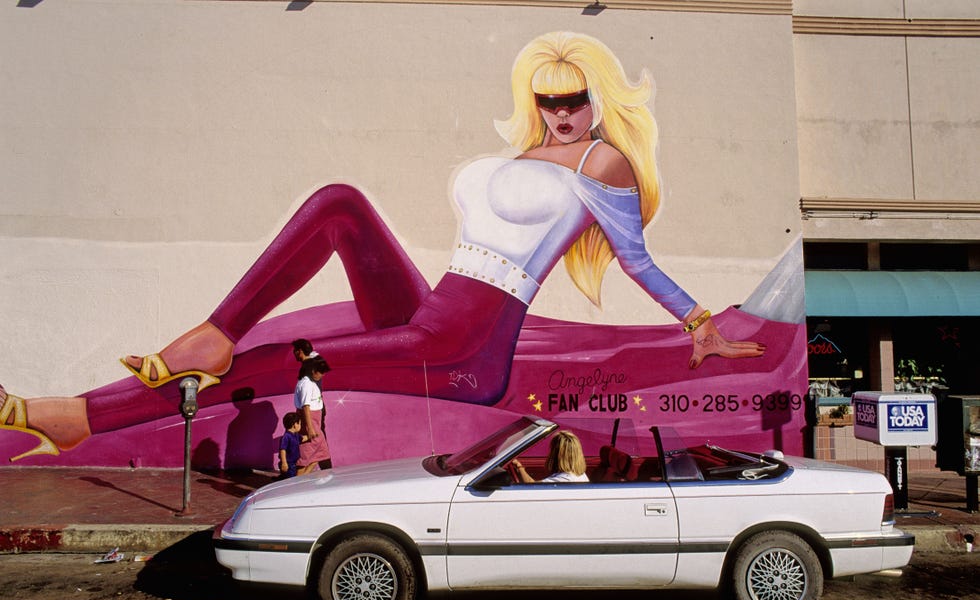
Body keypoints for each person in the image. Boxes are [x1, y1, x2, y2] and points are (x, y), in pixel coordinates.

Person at [1, 31, 765, 462]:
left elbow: (634, 259)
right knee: (341, 204)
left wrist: (700, 325)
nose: (561, 114)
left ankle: (74, 416)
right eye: (548, 100)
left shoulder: (603, 164)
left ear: (596, 100)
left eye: (574, 100)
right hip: (437, 308)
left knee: (283, 361)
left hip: (467, 350)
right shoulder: (528, 154)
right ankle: (214, 332)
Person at [295, 357, 331, 474]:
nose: (322, 376)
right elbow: (306, 406)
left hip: (315, 419)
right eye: (321, 373)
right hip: (310, 419)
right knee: (308, 450)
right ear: (313, 371)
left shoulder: (310, 382)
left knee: (322, 450)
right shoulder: (306, 384)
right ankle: (298, 479)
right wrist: (310, 428)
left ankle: (304, 476)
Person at [512, 430, 588, 483]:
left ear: (558, 454)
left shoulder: (565, 480)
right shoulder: (580, 475)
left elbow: (532, 486)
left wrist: (518, 466)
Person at [278, 411, 304, 478]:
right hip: (288, 463)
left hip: (294, 463)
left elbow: (303, 438)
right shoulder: (286, 436)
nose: (300, 426)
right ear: (295, 425)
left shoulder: (295, 435)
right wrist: (284, 463)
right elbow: (283, 450)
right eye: (300, 424)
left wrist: (311, 436)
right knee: (290, 478)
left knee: (291, 476)